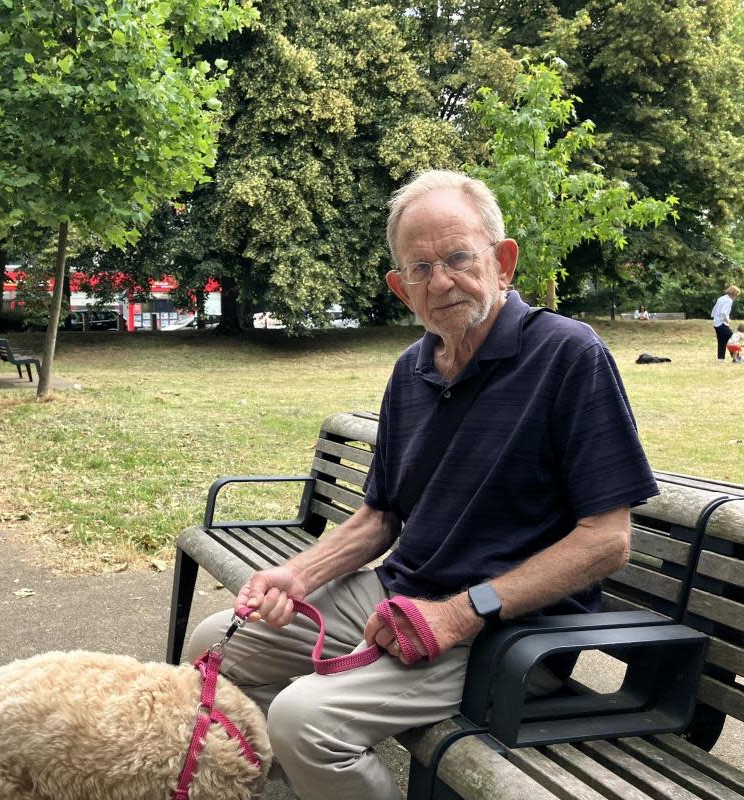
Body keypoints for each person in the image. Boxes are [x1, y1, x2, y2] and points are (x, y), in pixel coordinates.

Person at [187, 170, 659, 800]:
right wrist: (297, 576)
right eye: (419, 268)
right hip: (397, 595)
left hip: (509, 633)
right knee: (217, 648)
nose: (441, 282)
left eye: (459, 257)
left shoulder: (568, 355)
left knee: (304, 720)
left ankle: (323, 769)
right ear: (400, 288)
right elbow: (380, 514)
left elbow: (608, 541)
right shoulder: (412, 369)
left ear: (503, 262)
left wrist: (462, 612)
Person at [712, 285, 741, 362]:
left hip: (716, 323)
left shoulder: (721, 298)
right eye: (736, 295)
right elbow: (723, 313)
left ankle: (720, 358)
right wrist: (727, 320)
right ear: (734, 294)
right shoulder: (728, 300)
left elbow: (715, 309)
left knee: (722, 341)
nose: (736, 297)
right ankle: (736, 357)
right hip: (722, 323)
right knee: (733, 339)